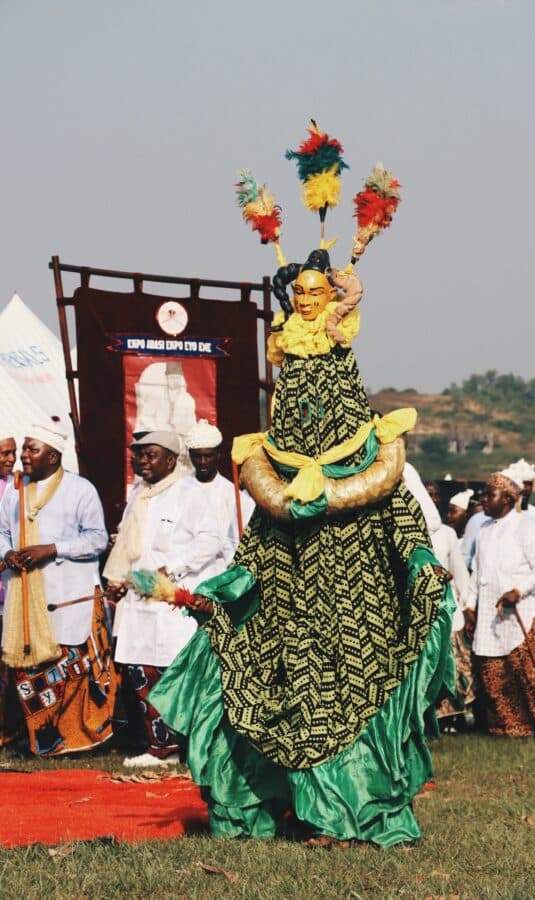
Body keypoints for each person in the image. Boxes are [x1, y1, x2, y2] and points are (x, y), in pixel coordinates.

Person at [148, 248, 454, 847]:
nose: (310, 409)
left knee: (352, 703)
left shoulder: (373, 450)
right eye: (297, 398)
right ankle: (290, 806)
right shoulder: (277, 469)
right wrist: (225, 587)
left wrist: (420, 562)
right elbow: (258, 546)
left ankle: (347, 815)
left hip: (359, 603)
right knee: (280, 692)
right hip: (292, 602)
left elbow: (402, 517)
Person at [104, 429, 228, 766]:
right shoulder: (138, 494)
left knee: (176, 676)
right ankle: (161, 748)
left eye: (151, 454)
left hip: (171, 603)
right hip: (136, 602)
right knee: (140, 673)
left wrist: (170, 569)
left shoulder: (189, 494)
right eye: (140, 454)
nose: (142, 461)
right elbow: (126, 542)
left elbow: (210, 541)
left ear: (171, 460)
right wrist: (118, 579)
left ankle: (193, 749)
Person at [0, 420, 117, 756]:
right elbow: (2, 533)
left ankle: (79, 739)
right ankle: (42, 740)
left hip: (69, 597)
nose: (23, 456)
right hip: (26, 601)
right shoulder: (16, 492)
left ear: (53, 457)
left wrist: (50, 549)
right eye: (24, 449)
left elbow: (96, 539)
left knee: (71, 670)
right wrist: (8, 553)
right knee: (31, 671)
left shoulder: (81, 490)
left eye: (31, 449)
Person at [464, 473, 535, 736]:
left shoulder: (525, 526)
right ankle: (507, 727)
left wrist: (518, 590)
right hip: (490, 614)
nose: (484, 499)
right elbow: (476, 572)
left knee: (528, 673)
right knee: (494, 673)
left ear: (509, 499)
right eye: (484, 494)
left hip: (521, 611)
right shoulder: (484, 530)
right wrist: (469, 606)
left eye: (491, 494)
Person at [427, 482, 473, 727]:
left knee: (453, 665)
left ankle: (453, 717)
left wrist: (467, 605)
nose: (431, 499)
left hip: (448, 611)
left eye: (434, 495)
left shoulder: (447, 534)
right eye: (427, 494)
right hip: (421, 613)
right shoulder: (408, 530)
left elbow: (459, 572)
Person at [184, 419, 255, 570]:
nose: (203, 461)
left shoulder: (235, 496)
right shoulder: (179, 490)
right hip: (182, 572)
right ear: (189, 455)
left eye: (208, 456)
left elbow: (241, 542)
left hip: (221, 572)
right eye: (197, 456)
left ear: (218, 455)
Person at [0, 431, 18, 746]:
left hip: (11, 590)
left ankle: (9, 728)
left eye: (13, 452)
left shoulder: (18, 487)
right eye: (4, 454)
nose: (10, 459)